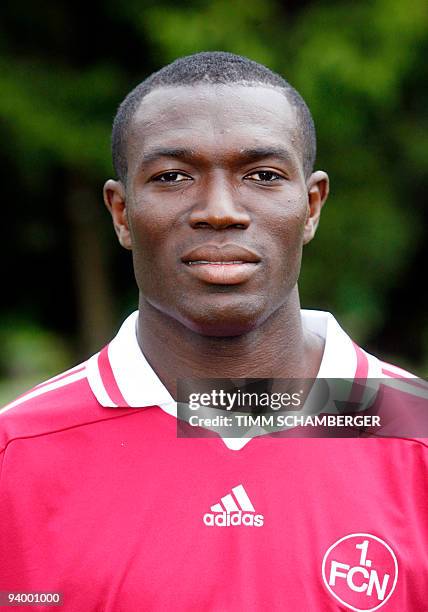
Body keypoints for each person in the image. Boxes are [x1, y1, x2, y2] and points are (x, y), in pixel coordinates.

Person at [0, 52, 427, 611]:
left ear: (312, 205)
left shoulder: (413, 433)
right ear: (122, 212)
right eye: (173, 176)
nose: (220, 211)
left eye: (263, 176)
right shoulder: (18, 455)